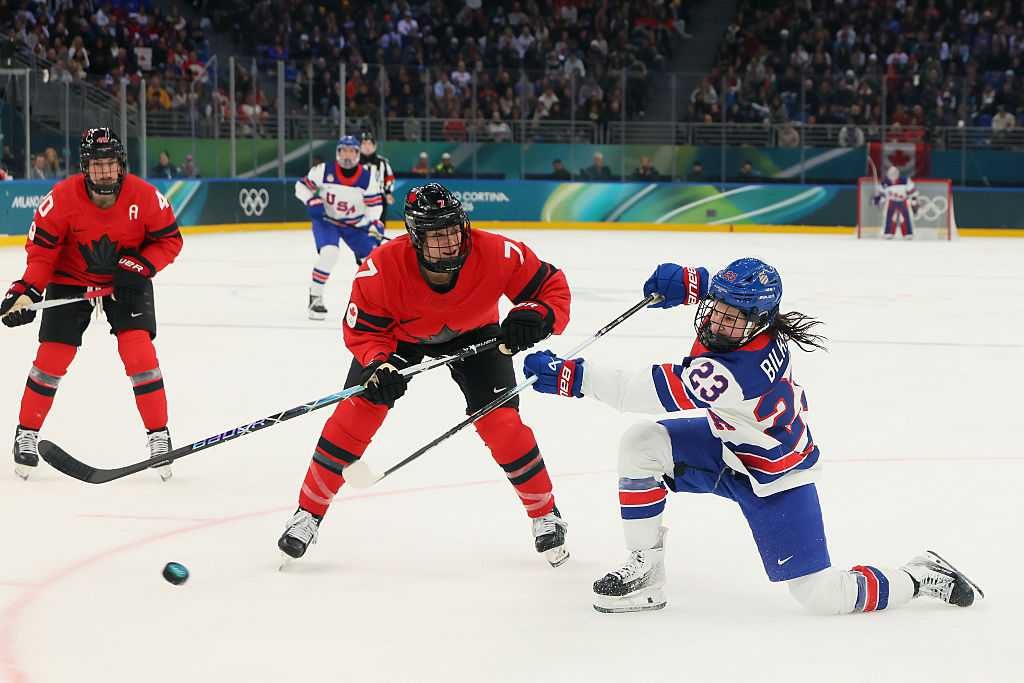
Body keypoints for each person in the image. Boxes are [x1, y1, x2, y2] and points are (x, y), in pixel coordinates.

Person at [522, 259, 982, 614]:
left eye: (733, 316)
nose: (718, 322)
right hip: (728, 447)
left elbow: (636, 390)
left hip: (776, 476)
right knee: (642, 445)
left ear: (760, 321)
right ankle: (645, 571)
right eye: (715, 308)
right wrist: (689, 281)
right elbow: (726, 292)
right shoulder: (750, 323)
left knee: (820, 595)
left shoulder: (728, 371)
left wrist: (570, 377)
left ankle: (919, 576)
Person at [277, 183, 573, 567]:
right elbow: (364, 332)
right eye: (437, 235)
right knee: (355, 415)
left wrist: (537, 315)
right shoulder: (381, 268)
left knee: (502, 424)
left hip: (476, 334)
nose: (450, 242)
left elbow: (552, 288)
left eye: (454, 230)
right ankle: (307, 514)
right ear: (416, 238)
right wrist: (378, 363)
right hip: (401, 339)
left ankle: (545, 514)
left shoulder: (496, 252)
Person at [1, 128, 183, 481]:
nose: (105, 172)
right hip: (71, 279)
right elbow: (41, 256)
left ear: (121, 165)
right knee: (51, 358)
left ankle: (159, 435)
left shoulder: (145, 197)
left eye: (110, 164)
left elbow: (169, 241)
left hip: (125, 280)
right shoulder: (61, 199)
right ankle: (26, 432)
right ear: (85, 168)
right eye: (97, 165)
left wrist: (141, 266)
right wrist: (26, 291)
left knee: (140, 356)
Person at [294, 135, 385, 320]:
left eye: (352, 151)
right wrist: (312, 200)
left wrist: (373, 224)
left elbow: (375, 206)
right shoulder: (322, 170)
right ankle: (315, 296)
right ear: (338, 153)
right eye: (344, 151)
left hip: (355, 225)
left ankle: (374, 304)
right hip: (327, 222)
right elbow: (300, 187)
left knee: (373, 260)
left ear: (358, 154)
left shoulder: (367, 178)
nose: (347, 155)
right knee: (330, 253)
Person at [358, 130, 395, 224]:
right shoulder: (355, 162)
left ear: (374, 146)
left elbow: (389, 178)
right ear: (359, 146)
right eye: (364, 143)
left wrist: (388, 192)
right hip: (358, 198)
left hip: (379, 198)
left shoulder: (382, 162)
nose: (367, 146)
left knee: (379, 226)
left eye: (369, 143)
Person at [872, 165, 917, 239]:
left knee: (906, 217)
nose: (893, 176)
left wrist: (914, 200)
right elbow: (882, 195)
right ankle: (888, 233)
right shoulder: (885, 183)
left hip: (903, 202)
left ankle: (908, 233)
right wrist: (877, 199)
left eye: (894, 174)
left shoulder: (905, 180)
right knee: (889, 217)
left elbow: (912, 191)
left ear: (898, 174)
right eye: (891, 174)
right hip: (891, 202)